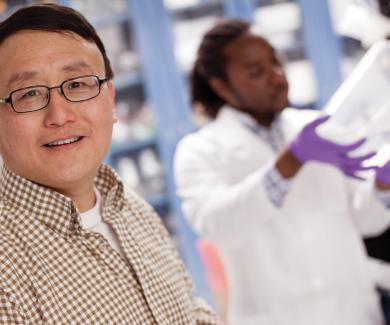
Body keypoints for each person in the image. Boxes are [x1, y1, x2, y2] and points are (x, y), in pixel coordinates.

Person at [0, 4, 220, 324]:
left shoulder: (128, 206)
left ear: (110, 100)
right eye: (29, 93)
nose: (60, 115)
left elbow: (187, 310)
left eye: (77, 84)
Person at [174, 18, 390, 325]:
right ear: (221, 86)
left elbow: (366, 221)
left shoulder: (319, 127)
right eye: (256, 72)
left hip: (352, 314)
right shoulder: (199, 151)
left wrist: (382, 182)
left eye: (276, 62)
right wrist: (292, 160)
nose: (277, 76)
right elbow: (217, 223)